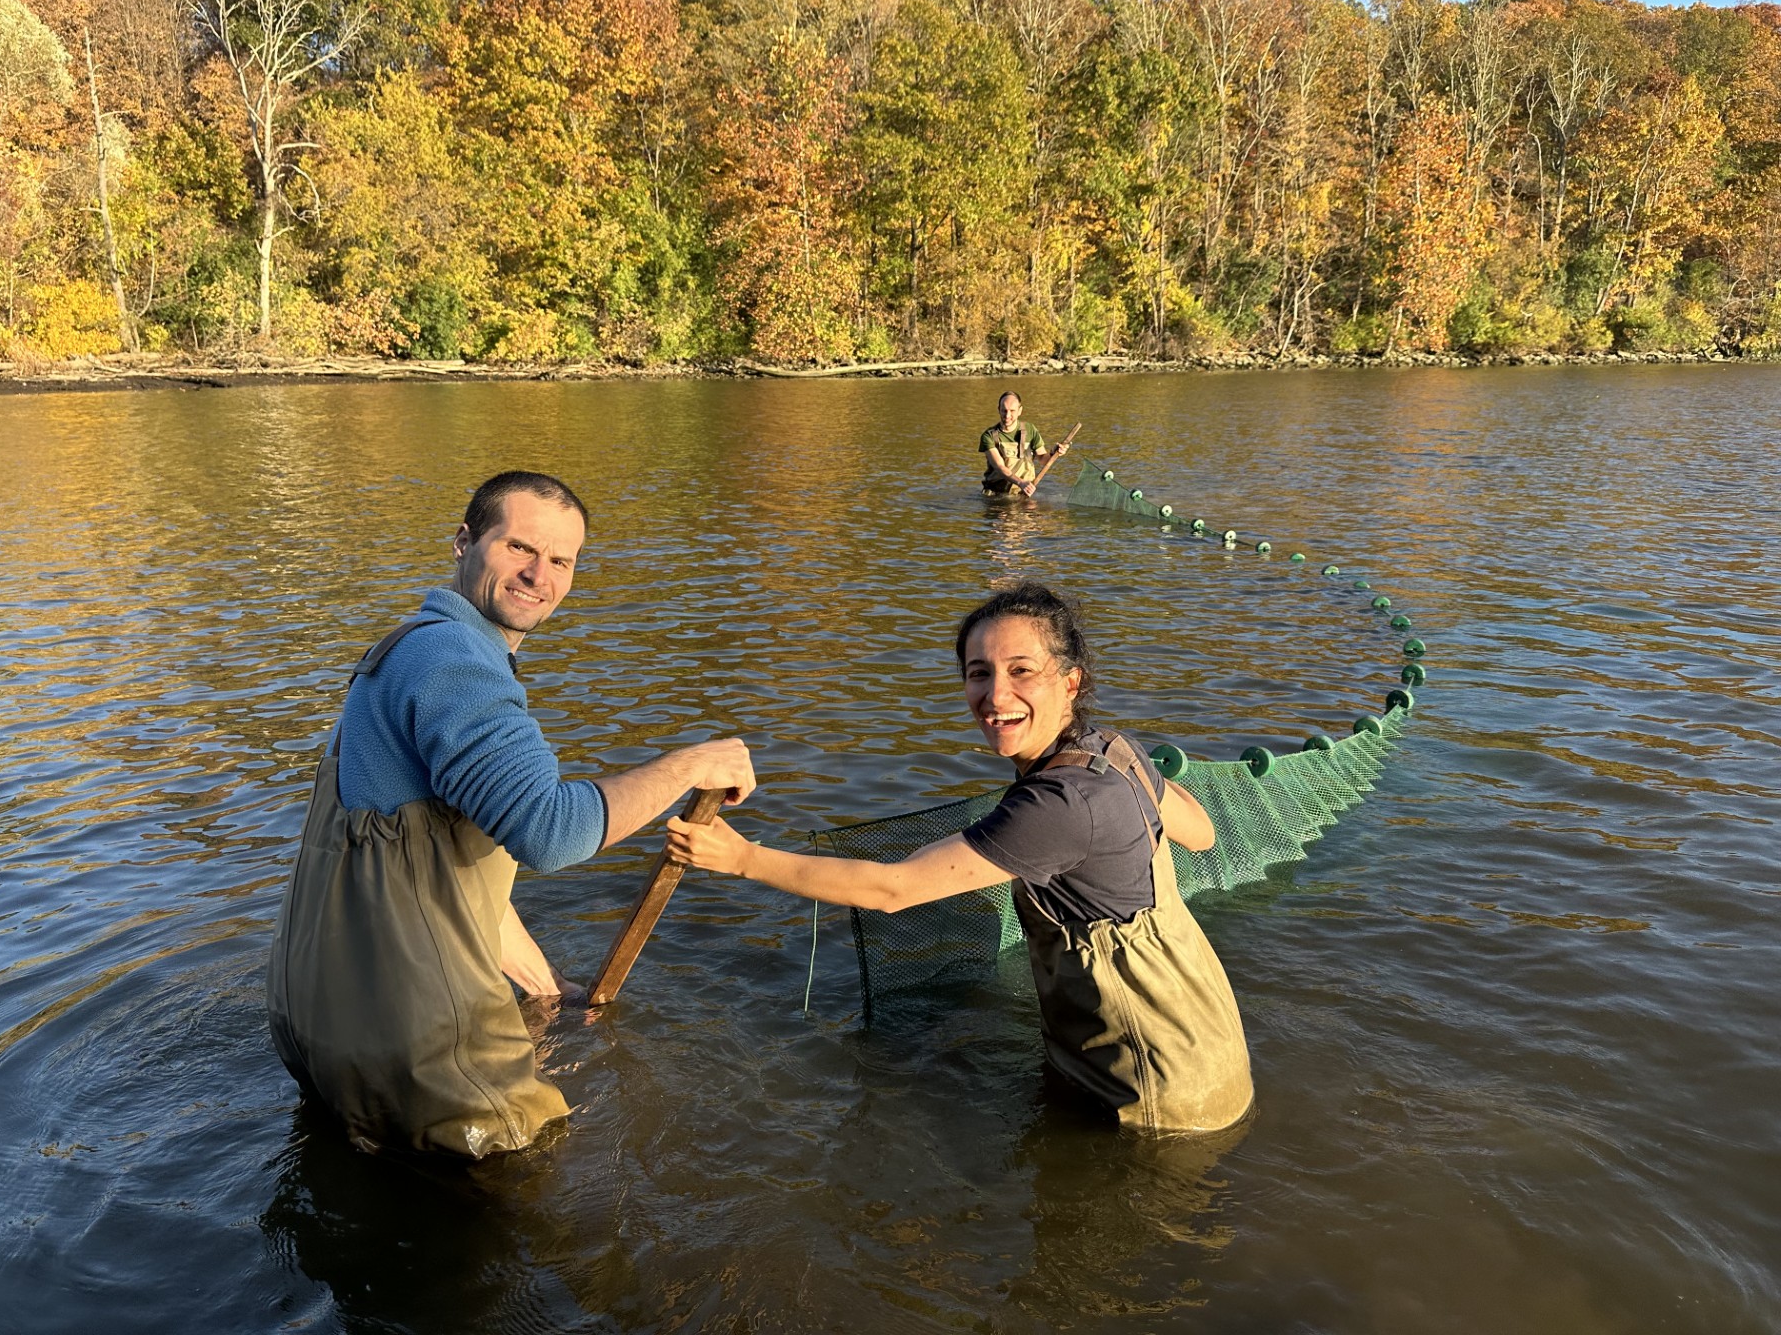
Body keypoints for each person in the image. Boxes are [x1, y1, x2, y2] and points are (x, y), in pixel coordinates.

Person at [267, 470, 755, 1159]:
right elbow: (550, 833)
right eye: (520, 547)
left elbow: (438, 864)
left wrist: (543, 984)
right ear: (465, 541)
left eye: (561, 561)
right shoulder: (457, 661)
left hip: (318, 1024)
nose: (539, 575)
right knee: (546, 1218)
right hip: (415, 1049)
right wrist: (687, 768)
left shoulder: (403, 649)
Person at [666, 582, 1253, 1135]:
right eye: (980, 674)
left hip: (1157, 1093)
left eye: (1022, 671)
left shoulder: (1059, 803)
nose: (996, 697)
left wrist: (742, 857)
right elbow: (1200, 832)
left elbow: (893, 890)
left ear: (1071, 682)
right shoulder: (1118, 752)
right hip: (1208, 1046)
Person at [980, 391, 1070, 496]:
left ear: (1020, 411)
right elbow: (1000, 467)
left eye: (1012, 411)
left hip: (1024, 493)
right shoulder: (988, 436)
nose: (1007, 415)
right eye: (1004, 410)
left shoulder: (1030, 429)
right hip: (997, 495)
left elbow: (1042, 459)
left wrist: (1054, 453)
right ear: (998, 410)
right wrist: (1021, 482)